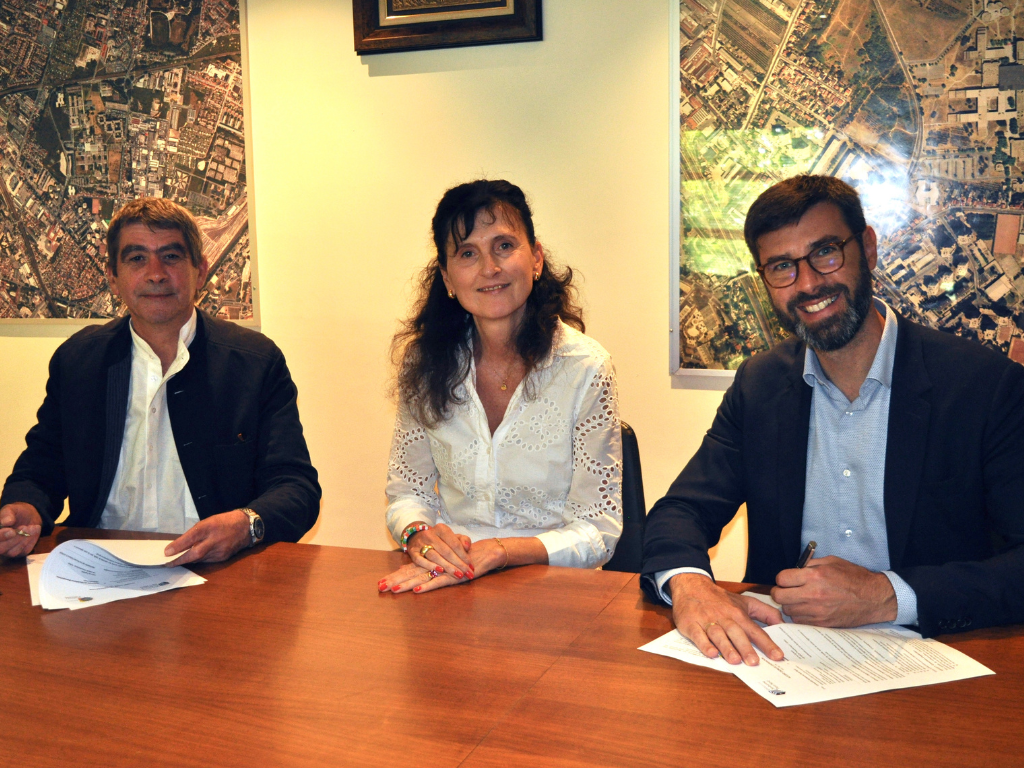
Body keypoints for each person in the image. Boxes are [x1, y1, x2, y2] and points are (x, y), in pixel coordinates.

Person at [642, 174, 1024, 666]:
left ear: (867, 247)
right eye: (783, 267)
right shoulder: (759, 386)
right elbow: (681, 512)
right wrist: (691, 585)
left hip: (940, 663)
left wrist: (889, 594)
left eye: (825, 253)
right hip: (789, 661)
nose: (808, 284)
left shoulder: (984, 387)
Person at [0, 198, 320, 564]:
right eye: (136, 258)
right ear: (113, 277)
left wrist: (245, 525)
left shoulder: (255, 363)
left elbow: (297, 488)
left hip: (218, 570)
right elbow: (41, 467)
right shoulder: (79, 361)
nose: (155, 273)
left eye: (171, 257)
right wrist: (26, 506)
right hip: (99, 570)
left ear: (200, 271)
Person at [379, 179, 622, 594]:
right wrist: (418, 534)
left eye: (504, 246)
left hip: (554, 590)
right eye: (467, 253)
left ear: (536, 259)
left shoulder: (584, 367)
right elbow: (406, 493)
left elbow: (599, 531)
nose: (489, 268)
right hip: (449, 579)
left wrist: (505, 551)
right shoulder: (425, 364)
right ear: (448, 278)